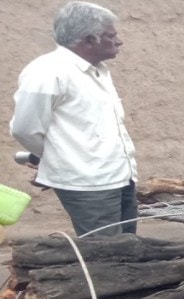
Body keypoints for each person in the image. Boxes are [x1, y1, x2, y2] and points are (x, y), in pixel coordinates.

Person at [9, 1, 138, 237]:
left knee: (131, 252)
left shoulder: (98, 70)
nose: (119, 41)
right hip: (88, 184)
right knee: (106, 258)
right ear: (89, 40)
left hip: (120, 176)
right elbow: (25, 129)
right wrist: (59, 158)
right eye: (111, 35)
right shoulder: (48, 71)